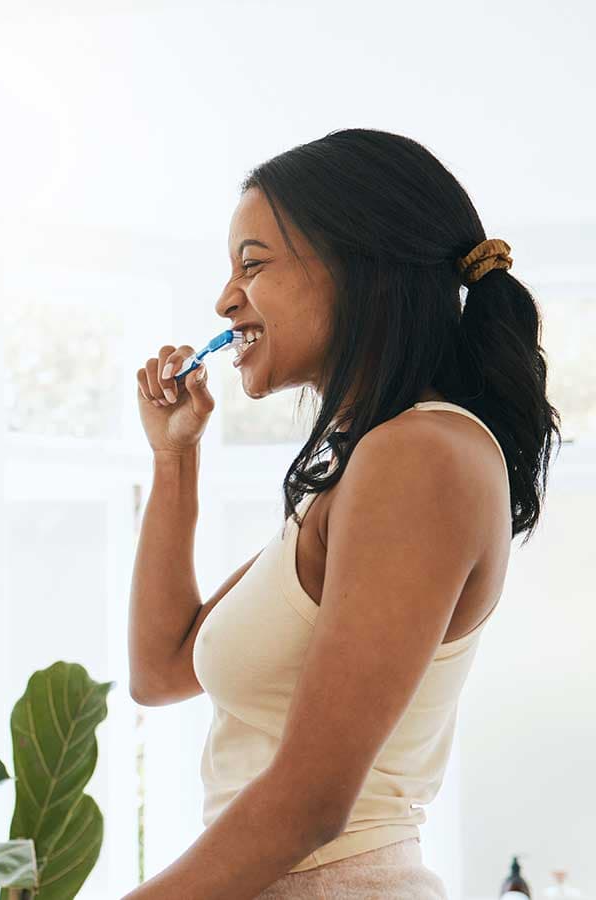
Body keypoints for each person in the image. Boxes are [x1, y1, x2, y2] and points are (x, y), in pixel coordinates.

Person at [126, 129, 559, 898]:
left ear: (359, 266)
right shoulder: (365, 468)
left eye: (252, 263)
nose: (226, 300)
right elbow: (162, 671)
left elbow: (310, 804)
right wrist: (175, 458)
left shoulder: (420, 456)